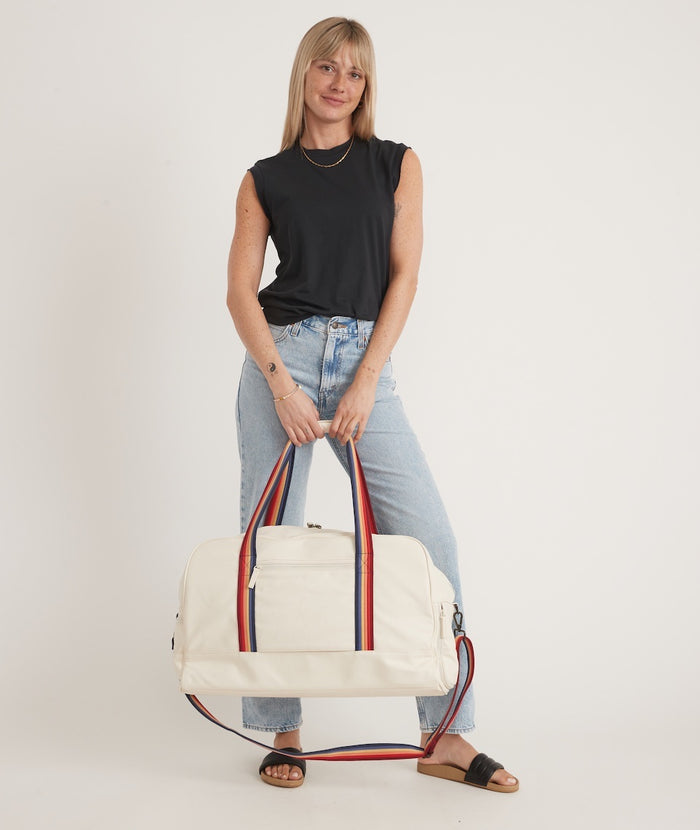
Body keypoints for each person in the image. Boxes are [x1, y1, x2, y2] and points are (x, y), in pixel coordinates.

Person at [226, 16, 518, 793]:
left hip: (366, 366)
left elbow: (404, 277)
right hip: (280, 362)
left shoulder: (395, 164)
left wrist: (364, 380)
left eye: (355, 72)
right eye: (327, 66)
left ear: (367, 85)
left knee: (429, 540)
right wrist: (281, 385)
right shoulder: (264, 177)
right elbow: (239, 292)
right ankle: (283, 731)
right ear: (305, 73)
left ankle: (445, 736)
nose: (340, 83)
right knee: (271, 548)